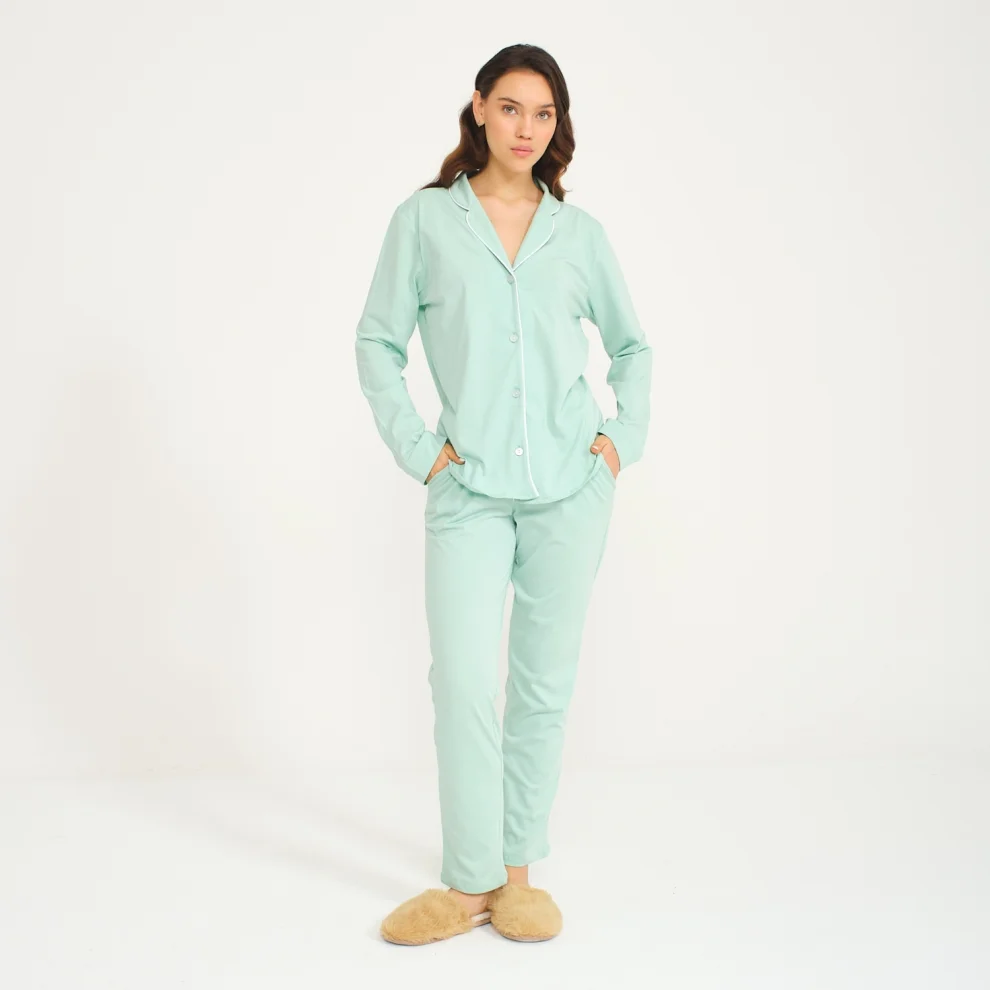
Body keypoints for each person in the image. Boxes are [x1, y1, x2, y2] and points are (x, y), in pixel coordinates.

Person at [354, 43, 652, 945]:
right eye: (512, 107)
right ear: (479, 106)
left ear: (558, 126)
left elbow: (632, 347)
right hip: (469, 489)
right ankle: (468, 880)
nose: (527, 128)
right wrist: (421, 450)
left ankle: (517, 877)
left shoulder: (578, 234)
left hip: (570, 489)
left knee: (541, 685)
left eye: (544, 114)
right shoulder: (425, 221)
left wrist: (617, 443)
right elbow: (377, 341)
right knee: (461, 683)